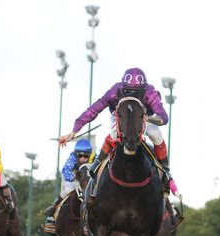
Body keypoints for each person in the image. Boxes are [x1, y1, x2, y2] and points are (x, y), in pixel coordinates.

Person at [57, 67, 178, 196]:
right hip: (122, 117)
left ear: (143, 89)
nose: (131, 95)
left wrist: (147, 118)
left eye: (136, 93)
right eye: (127, 92)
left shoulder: (149, 92)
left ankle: (166, 171)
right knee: (114, 134)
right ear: (122, 89)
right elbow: (93, 110)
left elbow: (163, 118)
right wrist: (74, 131)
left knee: (156, 134)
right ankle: (97, 165)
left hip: (143, 117)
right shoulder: (115, 90)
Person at [44, 139, 95, 218]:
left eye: (85, 156)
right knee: (68, 190)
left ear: (90, 155)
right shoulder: (72, 157)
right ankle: (54, 207)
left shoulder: (95, 157)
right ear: (75, 154)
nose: (82, 159)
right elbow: (66, 170)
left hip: (89, 179)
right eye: (80, 156)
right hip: (74, 178)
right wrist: (75, 177)